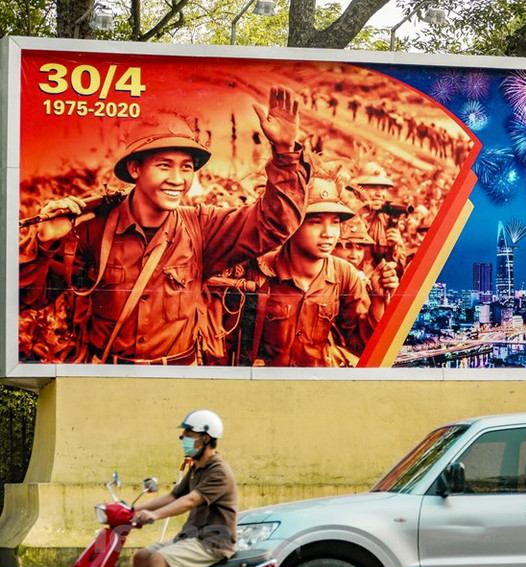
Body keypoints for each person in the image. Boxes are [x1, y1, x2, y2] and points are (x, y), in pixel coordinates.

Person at [19, 87, 309, 365]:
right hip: (106, 375)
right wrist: (44, 243)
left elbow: (274, 223)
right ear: (135, 168)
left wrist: (284, 152)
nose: (177, 179)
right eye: (164, 165)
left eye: (186, 167)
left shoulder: (202, 228)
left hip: (177, 379)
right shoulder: (92, 230)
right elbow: (28, 298)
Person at [248, 178, 399, 366]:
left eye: (335, 222)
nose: (328, 233)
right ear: (291, 224)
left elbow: (362, 347)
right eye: (316, 222)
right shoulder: (262, 270)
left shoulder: (344, 274)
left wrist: (377, 300)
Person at [132, 410, 237, 567]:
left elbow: (190, 501)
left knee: (158, 560)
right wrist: (132, 509)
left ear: (205, 438)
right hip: (191, 538)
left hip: (212, 543)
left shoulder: (218, 471)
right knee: (141, 557)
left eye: (189, 434)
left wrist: (154, 515)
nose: (183, 438)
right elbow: (173, 497)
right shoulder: (197, 467)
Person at [346, 162, 406, 269]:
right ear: (356, 191)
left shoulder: (386, 222)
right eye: (373, 187)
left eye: (383, 188)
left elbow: (397, 271)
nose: (379, 194)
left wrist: (394, 248)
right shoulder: (344, 218)